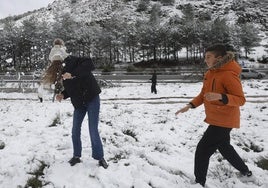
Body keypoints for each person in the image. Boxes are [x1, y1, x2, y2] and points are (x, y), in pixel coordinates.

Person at [175, 44, 252, 187]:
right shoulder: (210, 73)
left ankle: (199, 182)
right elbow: (203, 94)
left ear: (219, 58)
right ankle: (246, 171)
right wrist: (190, 105)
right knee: (225, 147)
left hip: (224, 121)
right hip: (216, 119)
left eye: (208, 57)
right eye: (205, 57)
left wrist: (221, 96)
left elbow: (240, 99)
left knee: (202, 150)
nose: (206, 60)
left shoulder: (228, 74)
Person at [43, 38, 108, 168]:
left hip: (92, 98)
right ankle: (76, 156)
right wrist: (63, 94)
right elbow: (71, 87)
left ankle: (100, 157)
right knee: (75, 130)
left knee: (93, 129)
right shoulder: (60, 70)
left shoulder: (75, 60)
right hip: (79, 104)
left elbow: (90, 64)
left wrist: (72, 73)